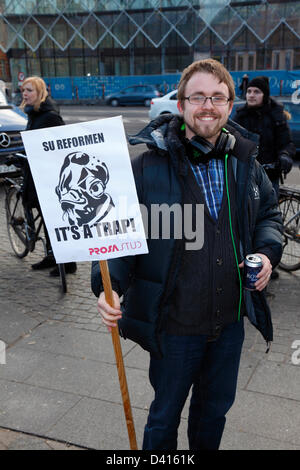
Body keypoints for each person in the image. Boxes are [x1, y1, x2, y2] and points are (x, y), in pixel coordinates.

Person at [91, 59, 283, 450]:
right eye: (198, 97)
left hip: (229, 324)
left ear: (230, 105)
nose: (207, 106)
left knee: (212, 416)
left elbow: (268, 214)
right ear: (180, 104)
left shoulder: (245, 162)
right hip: (174, 326)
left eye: (217, 97)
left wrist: (265, 254)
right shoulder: (147, 167)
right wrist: (107, 285)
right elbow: (118, 236)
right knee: (163, 420)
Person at [20, 76, 77, 277]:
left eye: (29, 90)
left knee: (57, 220)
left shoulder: (50, 116)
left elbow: (61, 147)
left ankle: (69, 263)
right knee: (47, 219)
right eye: (23, 91)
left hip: (50, 178)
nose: (25, 94)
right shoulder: (34, 114)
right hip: (37, 175)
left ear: (40, 93)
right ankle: (53, 256)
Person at [233, 76, 296, 198]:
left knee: (269, 211)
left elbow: (287, 143)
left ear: (265, 95)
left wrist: (285, 155)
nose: (251, 95)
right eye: (249, 91)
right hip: (245, 175)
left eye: (256, 92)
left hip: (270, 175)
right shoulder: (240, 116)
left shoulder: (276, 116)